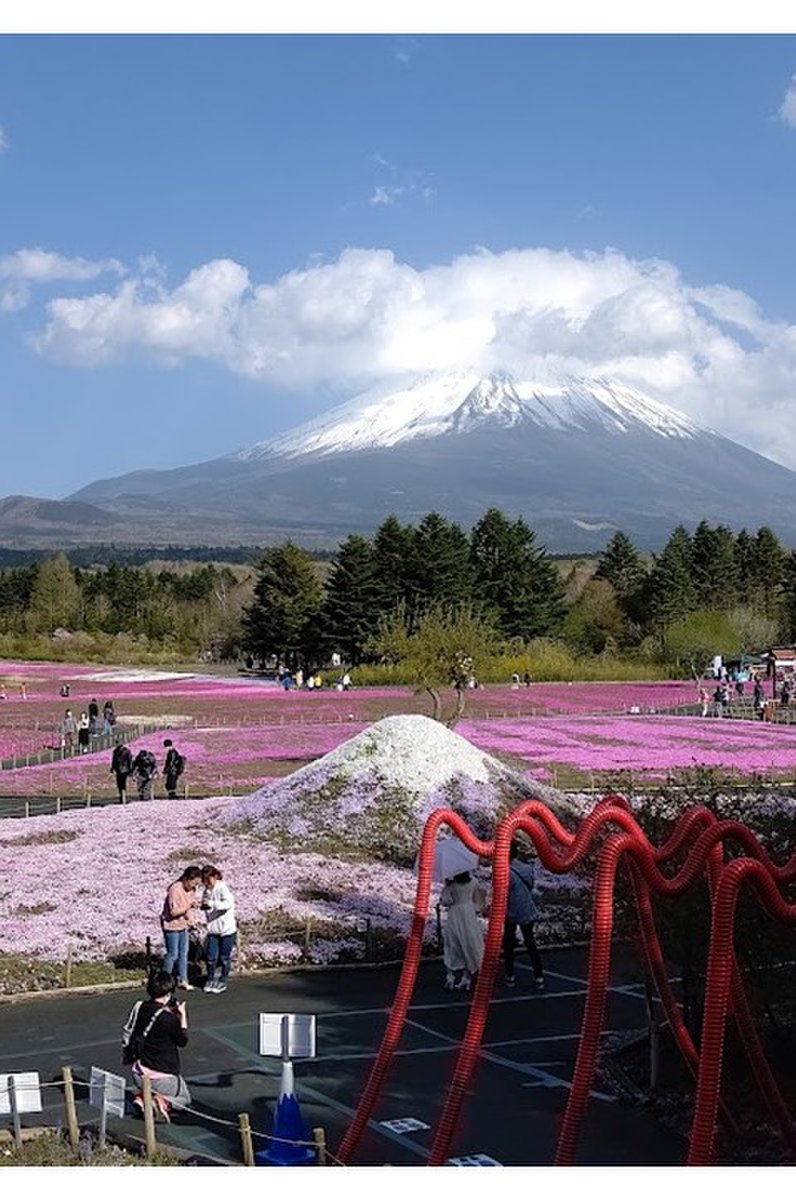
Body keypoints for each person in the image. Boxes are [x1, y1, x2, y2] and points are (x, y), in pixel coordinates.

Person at [127, 969, 191, 1121]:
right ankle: (161, 1101)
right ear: (168, 993)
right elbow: (183, 1041)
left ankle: (144, 1097)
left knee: (156, 1088)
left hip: (138, 1072)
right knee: (185, 1100)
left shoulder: (141, 1007)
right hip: (161, 1076)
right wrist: (182, 1016)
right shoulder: (167, 1019)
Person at [502, 840, 544, 989]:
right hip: (526, 907)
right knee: (530, 942)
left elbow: (502, 892)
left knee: (509, 944)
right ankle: (538, 975)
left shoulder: (505, 871)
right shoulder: (526, 868)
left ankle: (510, 975)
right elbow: (531, 884)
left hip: (511, 910)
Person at [439, 870, 485, 992]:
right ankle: (466, 977)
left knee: (451, 944)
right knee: (467, 943)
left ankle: (450, 976)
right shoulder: (473, 882)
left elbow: (445, 901)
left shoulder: (452, 885)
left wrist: (446, 887)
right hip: (468, 914)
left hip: (455, 913)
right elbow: (477, 902)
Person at [161, 866, 203, 989]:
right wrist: (189, 905)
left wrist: (192, 920)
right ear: (187, 879)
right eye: (193, 883)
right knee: (172, 954)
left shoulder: (192, 890)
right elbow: (174, 911)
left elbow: (189, 909)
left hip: (183, 926)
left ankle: (183, 980)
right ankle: (164, 980)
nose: (194, 887)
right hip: (172, 926)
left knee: (183, 954)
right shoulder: (175, 889)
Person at [200, 864, 238, 994]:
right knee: (210, 957)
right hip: (213, 929)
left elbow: (228, 904)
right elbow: (206, 905)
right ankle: (210, 979)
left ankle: (222, 980)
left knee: (224, 957)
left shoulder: (222, 888)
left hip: (226, 930)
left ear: (214, 876)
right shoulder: (206, 891)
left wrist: (212, 904)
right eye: (204, 880)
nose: (207, 882)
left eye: (208, 879)